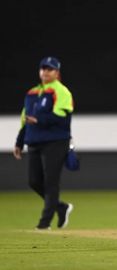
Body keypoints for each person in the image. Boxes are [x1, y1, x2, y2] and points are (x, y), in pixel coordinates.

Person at [13, 57, 75, 230]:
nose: (46, 72)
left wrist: (39, 119)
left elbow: (61, 118)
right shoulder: (32, 93)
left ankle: (44, 223)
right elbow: (25, 120)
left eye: (50, 69)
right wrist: (19, 142)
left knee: (51, 181)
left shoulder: (61, 91)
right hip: (34, 141)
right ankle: (61, 207)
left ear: (57, 72)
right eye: (43, 69)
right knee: (34, 181)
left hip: (55, 141)